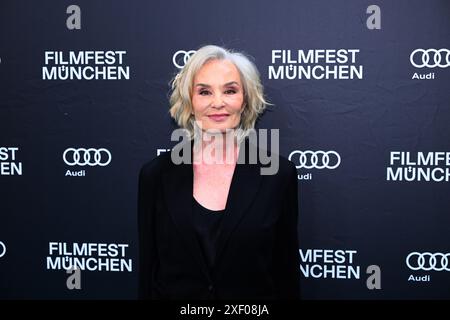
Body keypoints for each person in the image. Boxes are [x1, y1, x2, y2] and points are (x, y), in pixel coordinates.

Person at [138, 45, 300, 299]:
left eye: (230, 90)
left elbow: (286, 274)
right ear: (190, 101)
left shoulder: (278, 175)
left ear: (245, 99)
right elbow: (149, 271)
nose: (217, 103)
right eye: (204, 91)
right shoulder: (155, 176)